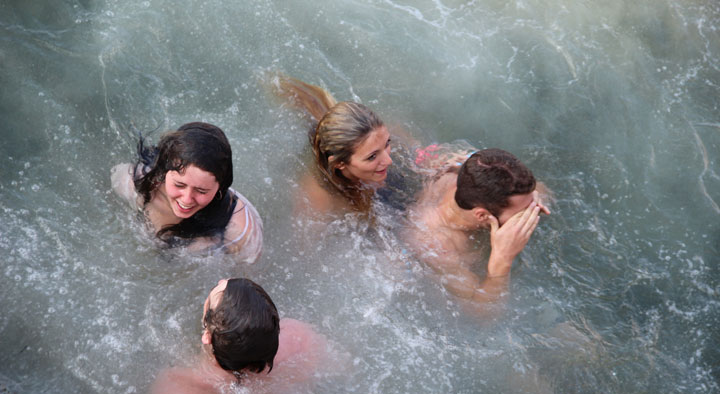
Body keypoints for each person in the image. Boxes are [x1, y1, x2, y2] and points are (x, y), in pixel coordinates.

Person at [149, 278, 328, 394]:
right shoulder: (300, 338)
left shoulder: (174, 391)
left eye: (217, 291)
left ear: (207, 336)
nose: (222, 280)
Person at [404, 148, 551, 311]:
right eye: (522, 211)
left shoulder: (465, 178)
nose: (529, 212)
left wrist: (537, 201)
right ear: (482, 215)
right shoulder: (437, 245)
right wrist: (502, 260)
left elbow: (542, 190)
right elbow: (479, 315)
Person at [110, 122, 263, 262]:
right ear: (164, 170)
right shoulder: (135, 181)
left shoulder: (240, 231)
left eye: (201, 190)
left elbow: (245, 285)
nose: (187, 199)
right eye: (179, 185)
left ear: (220, 188)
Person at [271, 75, 393, 215]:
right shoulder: (318, 200)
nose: (389, 160)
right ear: (340, 163)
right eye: (372, 156)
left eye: (387, 143)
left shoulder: (374, 136)